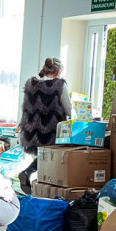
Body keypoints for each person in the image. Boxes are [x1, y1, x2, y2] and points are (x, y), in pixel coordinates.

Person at [17, 58, 72, 194]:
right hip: (50, 130)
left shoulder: (31, 84)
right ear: (58, 72)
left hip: (31, 130)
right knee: (51, 157)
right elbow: (69, 109)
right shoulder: (59, 85)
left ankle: (31, 177)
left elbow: (25, 107)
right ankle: (30, 174)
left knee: (43, 156)